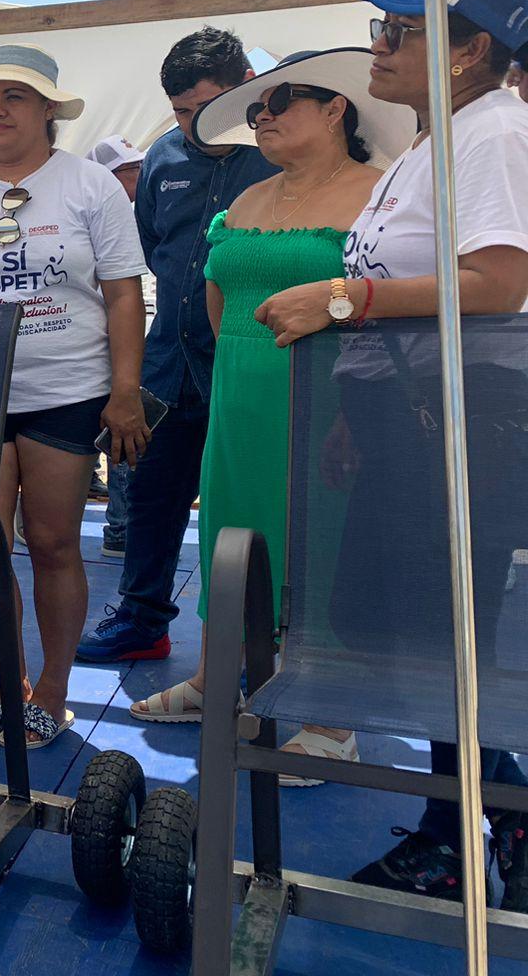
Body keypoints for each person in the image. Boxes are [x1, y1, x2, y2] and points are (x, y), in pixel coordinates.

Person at [253, 0, 528, 907]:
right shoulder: (431, 140)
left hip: (458, 426)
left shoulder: (490, 132)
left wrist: (342, 301)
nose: (380, 44)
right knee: (403, 630)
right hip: (405, 418)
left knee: (442, 637)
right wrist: (355, 417)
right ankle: (496, 810)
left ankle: (464, 834)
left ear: (471, 50)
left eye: (402, 31)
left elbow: (497, 285)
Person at [129, 48, 418, 786]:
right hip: (240, 403)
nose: (262, 115)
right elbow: (222, 307)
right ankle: (216, 681)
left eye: (280, 100)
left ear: (335, 109)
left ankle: (331, 720)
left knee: (320, 545)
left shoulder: (378, 196)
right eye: (256, 108)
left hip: (331, 404)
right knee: (233, 532)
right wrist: (238, 382)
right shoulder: (249, 201)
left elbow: (392, 302)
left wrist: (359, 410)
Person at [0, 45, 149, 748]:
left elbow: (123, 290)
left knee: (51, 543)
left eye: (15, 97)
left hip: (65, 389)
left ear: (48, 111)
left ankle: (53, 690)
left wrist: (125, 390)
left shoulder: (90, 186)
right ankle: (9, 687)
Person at [76, 28, 279, 664]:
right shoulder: (162, 159)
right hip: (168, 362)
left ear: (245, 84)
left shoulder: (277, 156)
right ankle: (142, 622)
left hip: (248, 362)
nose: (192, 125)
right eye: (181, 111)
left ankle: (260, 642)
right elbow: (138, 260)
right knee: (151, 498)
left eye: (203, 108)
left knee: (249, 508)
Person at [86, 135, 149, 559]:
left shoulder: (143, 212)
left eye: (138, 167)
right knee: (124, 432)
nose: (139, 176)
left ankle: (121, 523)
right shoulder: (101, 213)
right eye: (129, 171)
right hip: (107, 347)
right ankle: (121, 528)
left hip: (137, 341)